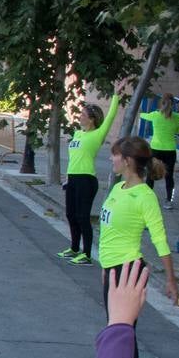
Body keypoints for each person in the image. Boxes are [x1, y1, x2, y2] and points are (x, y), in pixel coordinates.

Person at [81, 137, 179, 358]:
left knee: (122, 331)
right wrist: (105, 268)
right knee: (115, 329)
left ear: (126, 161)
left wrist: (170, 280)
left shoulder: (144, 196)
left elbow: (160, 240)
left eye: (115, 155)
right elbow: (110, 234)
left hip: (128, 271)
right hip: (113, 269)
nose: (111, 159)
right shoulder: (118, 188)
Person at [60, 94, 119, 266]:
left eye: (84, 115)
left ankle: (86, 254)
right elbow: (73, 159)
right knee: (70, 214)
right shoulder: (77, 134)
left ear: (92, 120)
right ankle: (74, 248)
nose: (80, 117)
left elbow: (111, 116)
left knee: (82, 216)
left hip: (86, 180)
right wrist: (67, 177)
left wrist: (116, 95)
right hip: (73, 178)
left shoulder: (97, 135)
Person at [141, 94, 179, 209]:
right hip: (170, 150)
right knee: (169, 176)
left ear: (161, 103)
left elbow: (142, 115)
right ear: (174, 104)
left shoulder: (155, 115)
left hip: (155, 149)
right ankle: (169, 200)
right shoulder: (178, 117)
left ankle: (147, 199)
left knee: (150, 175)